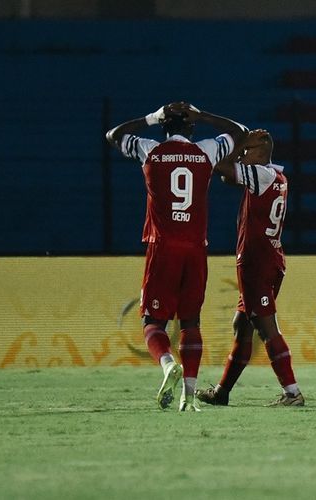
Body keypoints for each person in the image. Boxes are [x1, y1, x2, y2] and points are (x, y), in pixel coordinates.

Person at [105, 102, 248, 411]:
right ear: (191, 128)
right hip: (196, 248)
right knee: (190, 322)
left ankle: (168, 363)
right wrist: (205, 115)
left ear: (163, 126)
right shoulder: (207, 151)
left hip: (162, 246)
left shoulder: (149, 149)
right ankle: (189, 395)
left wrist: (150, 117)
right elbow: (240, 133)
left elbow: (113, 135)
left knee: (152, 322)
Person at [196, 129, 304, 407]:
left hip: (256, 261)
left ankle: (292, 393)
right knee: (242, 325)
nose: (242, 154)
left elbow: (219, 167)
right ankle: (222, 393)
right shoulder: (277, 175)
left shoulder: (262, 175)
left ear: (260, 152)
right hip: (271, 257)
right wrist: (241, 148)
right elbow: (226, 176)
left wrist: (229, 145)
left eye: (247, 149)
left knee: (267, 327)